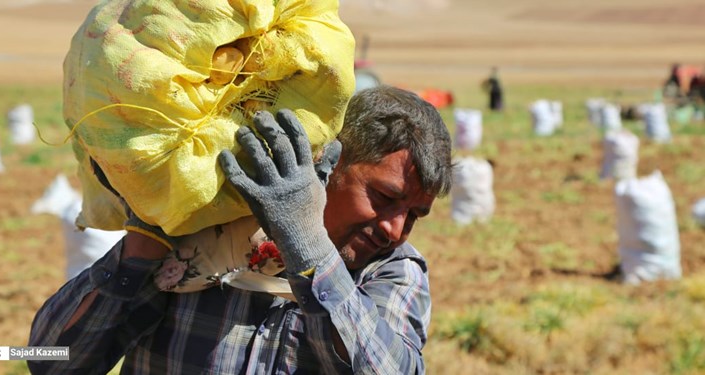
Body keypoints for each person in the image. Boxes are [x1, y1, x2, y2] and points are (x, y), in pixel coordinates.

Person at [27, 85, 454, 374]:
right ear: (331, 161)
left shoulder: (392, 271)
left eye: (415, 213)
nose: (395, 230)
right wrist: (140, 250)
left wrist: (309, 249)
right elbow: (50, 360)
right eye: (383, 198)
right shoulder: (205, 237)